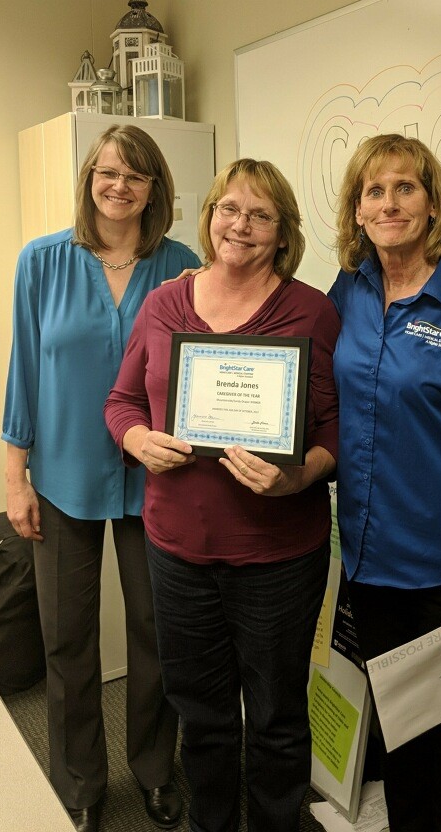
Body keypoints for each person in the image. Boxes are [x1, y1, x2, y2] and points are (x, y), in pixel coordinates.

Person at [104, 158, 340, 832]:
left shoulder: (309, 311)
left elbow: (335, 429)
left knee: (275, 720)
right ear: (208, 217)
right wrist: (138, 441)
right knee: (201, 718)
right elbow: (121, 402)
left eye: (259, 214)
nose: (240, 224)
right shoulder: (164, 303)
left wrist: (300, 474)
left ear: (281, 231)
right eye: (228, 208)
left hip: (278, 558)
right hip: (177, 553)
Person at [3, 124, 200, 832]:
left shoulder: (184, 266)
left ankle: (153, 769)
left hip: (158, 482)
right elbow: (24, 369)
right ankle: (80, 785)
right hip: (61, 478)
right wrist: (15, 476)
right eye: (107, 173)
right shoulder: (43, 261)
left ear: (155, 189)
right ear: (90, 179)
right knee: (66, 637)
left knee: (159, 635)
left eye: (136, 175)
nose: (119, 186)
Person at [329, 134, 441, 832]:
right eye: (374, 190)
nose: (389, 202)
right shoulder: (350, 288)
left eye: (406, 187)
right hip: (365, 558)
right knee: (399, 730)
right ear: (357, 209)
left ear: (432, 202)